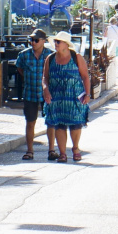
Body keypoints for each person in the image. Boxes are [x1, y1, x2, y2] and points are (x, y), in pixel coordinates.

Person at [43, 31, 92, 162]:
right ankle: (62, 153)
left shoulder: (76, 57)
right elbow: (45, 77)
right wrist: (45, 90)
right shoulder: (50, 59)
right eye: (55, 41)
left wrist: (87, 94)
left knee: (76, 124)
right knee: (59, 124)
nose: (56, 44)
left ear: (66, 44)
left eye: (58, 42)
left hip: (74, 97)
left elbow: (85, 77)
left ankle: (75, 148)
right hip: (56, 97)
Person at [15, 30, 55, 161]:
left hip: (47, 93)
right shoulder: (24, 55)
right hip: (30, 92)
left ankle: (51, 150)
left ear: (44, 41)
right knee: (30, 122)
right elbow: (19, 69)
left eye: (36, 40)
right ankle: (30, 150)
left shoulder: (51, 55)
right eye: (31, 39)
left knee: (50, 122)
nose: (33, 42)